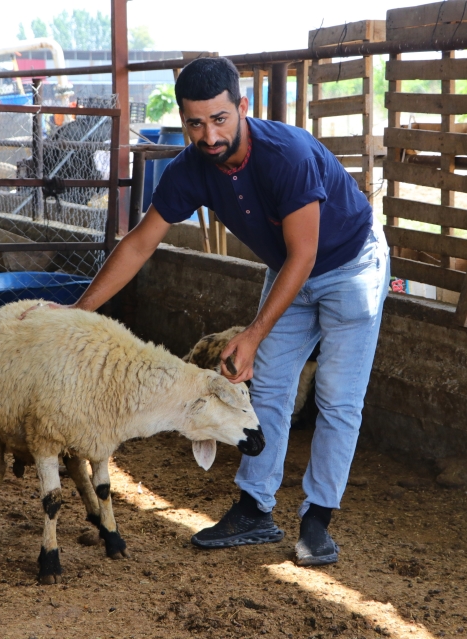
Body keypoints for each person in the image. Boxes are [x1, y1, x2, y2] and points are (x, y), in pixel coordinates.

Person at [41, 56, 389, 566]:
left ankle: (317, 522)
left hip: (349, 266)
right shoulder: (191, 169)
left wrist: (252, 333)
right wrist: (79, 311)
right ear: (184, 119)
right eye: (196, 123)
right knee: (267, 388)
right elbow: (140, 244)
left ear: (242, 107)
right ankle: (255, 509)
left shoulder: (285, 155)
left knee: (338, 398)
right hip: (289, 267)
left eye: (220, 119)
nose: (209, 135)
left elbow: (306, 255)